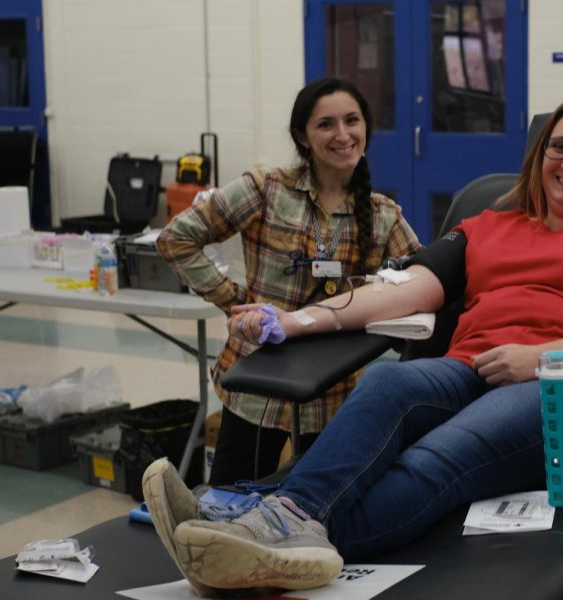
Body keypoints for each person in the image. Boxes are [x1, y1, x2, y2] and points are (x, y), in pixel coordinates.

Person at [143, 95, 563, 594]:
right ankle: (271, 523)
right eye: (559, 147)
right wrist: (293, 322)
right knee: (390, 382)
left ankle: (258, 542)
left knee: (441, 453)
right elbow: (398, 295)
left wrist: (541, 359)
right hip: (472, 369)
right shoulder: (491, 223)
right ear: (539, 155)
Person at [156, 77, 421, 485]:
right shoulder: (266, 189)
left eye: (352, 121)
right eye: (326, 124)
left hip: (335, 392)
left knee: (313, 513)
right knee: (233, 503)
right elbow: (176, 238)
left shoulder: (383, 214)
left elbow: (421, 284)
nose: (343, 134)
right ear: (303, 136)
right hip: (258, 385)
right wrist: (235, 300)